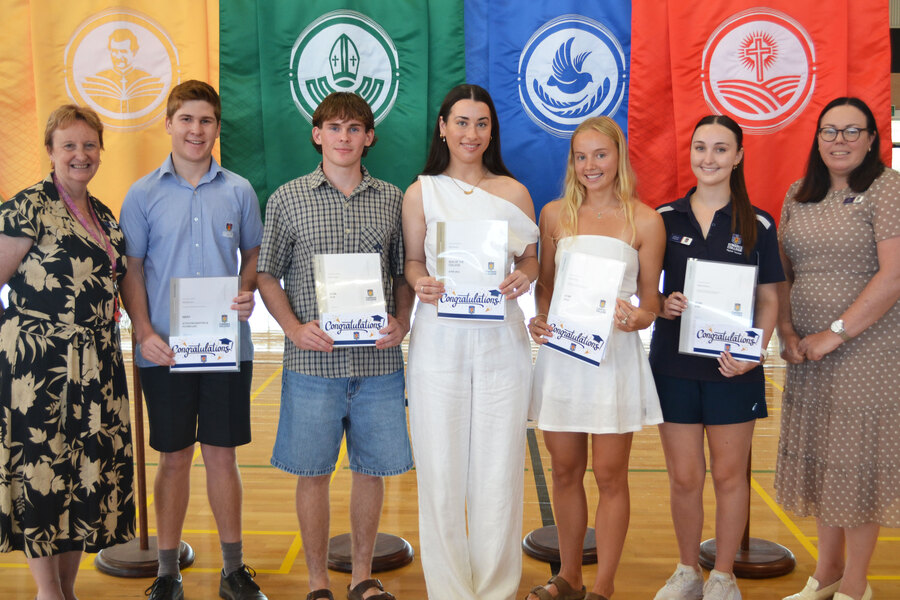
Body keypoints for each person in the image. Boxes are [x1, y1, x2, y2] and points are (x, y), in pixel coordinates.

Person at [257, 91, 413, 600]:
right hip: (312, 363)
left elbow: (403, 275)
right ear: (316, 134)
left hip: (378, 364)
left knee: (371, 472)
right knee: (314, 474)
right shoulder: (286, 198)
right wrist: (293, 328)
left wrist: (403, 320)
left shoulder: (394, 198)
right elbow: (266, 275)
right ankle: (319, 582)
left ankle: (363, 577)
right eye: (334, 127)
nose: (343, 137)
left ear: (368, 137)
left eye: (354, 128)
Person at [119, 80, 266, 600]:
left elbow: (252, 255)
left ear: (217, 128)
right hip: (165, 350)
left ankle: (233, 570)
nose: (196, 130)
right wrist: (143, 332)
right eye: (186, 120)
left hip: (226, 349)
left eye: (206, 121)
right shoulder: (141, 194)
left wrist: (247, 290)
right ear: (168, 123)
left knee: (223, 456)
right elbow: (131, 271)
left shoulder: (240, 190)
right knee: (174, 456)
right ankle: (167, 573)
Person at [402, 83, 539, 600]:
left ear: (491, 132)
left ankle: (497, 587)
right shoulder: (420, 191)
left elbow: (530, 258)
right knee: (440, 469)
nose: (471, 133)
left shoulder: (513, 192)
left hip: (501, 341)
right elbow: (413, 260)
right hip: (439, 340)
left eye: (481, 124)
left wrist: (526, 275)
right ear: (442, 126)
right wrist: (420, 283)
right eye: (461, 122)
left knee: (499, 467)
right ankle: (451, 590)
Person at [527, 116, 665, 600]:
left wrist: (638, 318)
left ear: (618, 156)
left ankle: (603, 585)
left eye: (600, 155)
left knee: (610, 475)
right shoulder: (553, 214)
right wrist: (538, 319)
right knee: (564, 470)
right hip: (564, 359)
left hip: (612, 363)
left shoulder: (645, 219)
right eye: (581, 156)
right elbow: (545, 287)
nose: (591, 166)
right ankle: (569, 576)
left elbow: (652, 303)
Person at [0, 105, 134, 600]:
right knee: (43, 472)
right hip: (39, 366)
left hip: (98, 363)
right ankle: (47, 593)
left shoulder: (102, 212)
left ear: (100, 150)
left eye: (89, 145)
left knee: (83, 476)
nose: (81, 155)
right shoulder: (28, 206)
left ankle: (67, 591)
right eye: (69, 146)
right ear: (51, 151)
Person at [648, 115, 783, 600]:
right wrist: (662, 304)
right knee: (685, 477)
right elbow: (647, 291)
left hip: (734, 372)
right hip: (673, 368)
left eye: (721, 149)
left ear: (739, 156)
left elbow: (768, 300)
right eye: (701, 148)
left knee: (729, 476)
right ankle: (688, 570)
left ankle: (723, 575)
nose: (709, 158)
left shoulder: (758, 223)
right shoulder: (664, 218)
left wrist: (755, 353)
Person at [775, 97, 900, 600]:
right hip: (807, 355)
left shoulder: (886, 190)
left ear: (873, 138)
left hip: (866, 351)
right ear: (817, 138)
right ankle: (825, 575)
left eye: (853, 131)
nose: (840, 140)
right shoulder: (797, 194)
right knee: (826, 458)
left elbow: (893, 277)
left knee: (855, 462)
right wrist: (786, 332)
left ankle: (854, 585)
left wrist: (835, 334)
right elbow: (783, 273)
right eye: (830, 131)